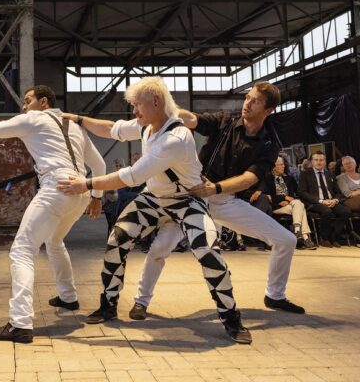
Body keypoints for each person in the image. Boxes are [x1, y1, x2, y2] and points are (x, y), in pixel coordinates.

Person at [57, 76, 251, 344]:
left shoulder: (175, 138)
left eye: (138, 104)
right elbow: (112, 129)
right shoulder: (146, 126)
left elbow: (132, 176)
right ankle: (108, 305)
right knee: (117, 240)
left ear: (156, 102)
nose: (134, 110)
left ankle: (231, 318)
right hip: (154, 198)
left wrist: (86, 184)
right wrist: (78, 119)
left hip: (186, 200)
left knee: (207, 251)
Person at [0, 85, 106, 344]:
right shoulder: (75, 126)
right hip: (80, 191)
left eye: (27, 101)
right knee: (55, 242)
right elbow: (100, 165)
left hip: (56, 187)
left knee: (22, 250)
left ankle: (20, 323)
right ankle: (68, 297)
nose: (24, 107)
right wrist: (97, 198)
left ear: (43, 102)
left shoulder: (34, 119)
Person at [123, 82, 304, 319]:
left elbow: (250, 178)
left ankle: (275, 295)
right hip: (191, 198)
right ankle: (141, 301)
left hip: (225, 199)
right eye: (248, 98)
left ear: (268, 110)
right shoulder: (225, 122)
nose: (247, 103)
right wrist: (167, 111)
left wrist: (216, 188)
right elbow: (192, 119)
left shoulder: (269, 143)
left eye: (256, 101)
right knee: (160, 247)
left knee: (286, 240)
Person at [298, 152, 351, 247]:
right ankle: (324, 238)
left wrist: (335, 200)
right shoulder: (305, 174)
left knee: (346, 212)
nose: (319, 162)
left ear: (325, 161)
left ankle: (333, 236)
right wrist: (321, 201)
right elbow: (302, 192)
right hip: (315, 202)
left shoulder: (330, 174)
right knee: (327, 211)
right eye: (316, 160)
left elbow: (338, 192)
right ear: (312, 161)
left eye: (321, 160)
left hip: (330, 201)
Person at [264, 155, 316, 250]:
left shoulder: (289, 178)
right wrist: (283, 198)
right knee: (301, 207)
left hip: (291, 205)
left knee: (298, 204)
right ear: (274, 166)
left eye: (283, 164)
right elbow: (268, 196)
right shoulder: (267, 178)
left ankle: (298, 232)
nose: (283, 166)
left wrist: (290, 200)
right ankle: (305, 237)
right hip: (276, 206)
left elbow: (297, 193)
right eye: (280, 165)